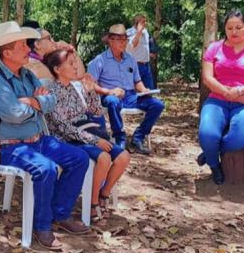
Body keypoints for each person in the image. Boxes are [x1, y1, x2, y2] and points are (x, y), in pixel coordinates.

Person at [0, 21, 90, 250]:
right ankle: (42, 227)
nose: (28, 48)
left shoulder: (26, 75)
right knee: (46, 168)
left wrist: (33, 101)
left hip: (39, 140)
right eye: (21, 45)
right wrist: (38, 104)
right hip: (11, 147)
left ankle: (60, 213)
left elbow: (50, 100)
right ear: (7, 52)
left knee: (79, 159)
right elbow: (14, 114)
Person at [43, 48, 130, 220]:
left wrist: (91, 92)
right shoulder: (51, 91)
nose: (76, 67)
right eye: (70, 64)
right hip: (70, 138)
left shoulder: (76, 86)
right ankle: (92, 203)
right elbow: (63, 127)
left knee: (123, 157)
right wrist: (93, 140)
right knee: (104, 158)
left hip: (88, 130)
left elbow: (97, 112)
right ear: (57, 69)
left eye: (75, 63)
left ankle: (103, 195)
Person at [197, 10, 244, 184]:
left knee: (241, 135)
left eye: (238, 27)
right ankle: (214, 164)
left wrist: (239, 92)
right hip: (218, 99)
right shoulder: (214, 48)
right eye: (230, 28)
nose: (234, 32)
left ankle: (209, 152)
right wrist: (228, 93)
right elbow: (207, 78)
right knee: (207, 133)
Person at [87, 24, 164, 155]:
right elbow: (89, 83)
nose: (124, 43)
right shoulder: (100, 60)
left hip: (130, 95)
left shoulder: (130, 59)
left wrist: (144, 90)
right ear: (111, 41)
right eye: (120, 40)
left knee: (157, 105)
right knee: (112, 101)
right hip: (111, 95)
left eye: (125, 40)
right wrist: (108, 91)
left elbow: (137, 81)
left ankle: (138, 137)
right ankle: (119, 138)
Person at [21, 20, 86, 81]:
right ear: (38, 44)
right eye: (49, 39)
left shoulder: (46, 61)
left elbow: (79, 75)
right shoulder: (32, 63)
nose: (54, 42)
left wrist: (71, 50)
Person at [126, 14, 155, 89]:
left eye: (146, 21)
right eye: (143, 22)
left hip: (146, 65)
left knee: (149, 89)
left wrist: (149, 54)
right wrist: (138, 32)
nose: (146, 23)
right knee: (136, 90)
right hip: (135, 66)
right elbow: (132, 45)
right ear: (137, 23)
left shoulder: (145, 32)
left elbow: (143, 46)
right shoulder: (129, 32)